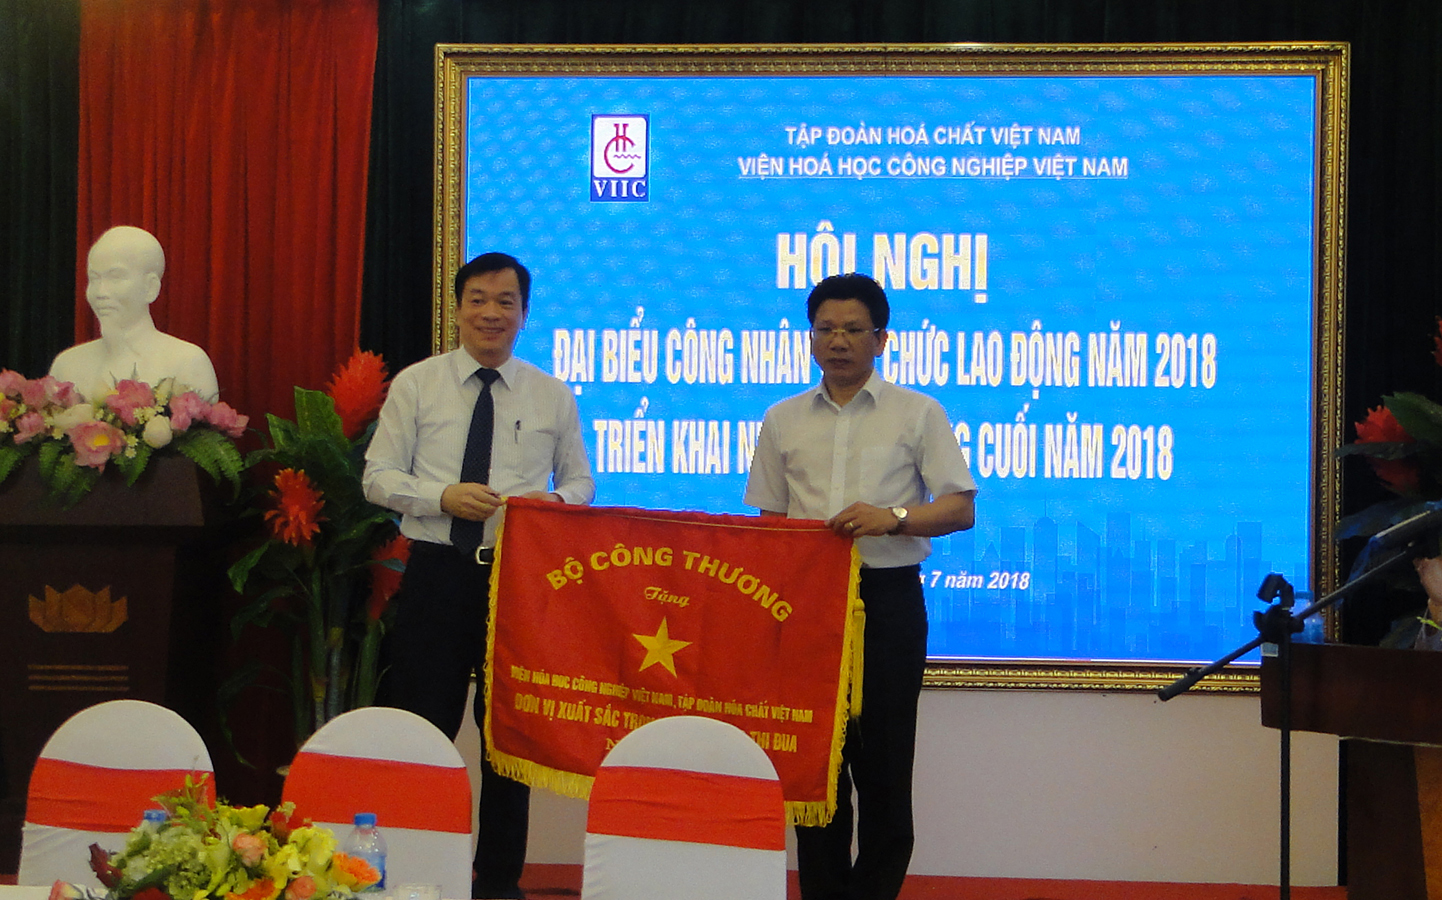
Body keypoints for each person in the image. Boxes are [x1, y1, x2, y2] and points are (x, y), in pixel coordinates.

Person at [363, 252, 595, 900]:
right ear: (458, 307)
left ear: (524, 313)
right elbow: (377, 477)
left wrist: (553, 504)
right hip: (436, 574)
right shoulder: (418, 384)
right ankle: (418, 873)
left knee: (507, 741)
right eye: (479, 300)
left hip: (516, 580)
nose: (491, 313)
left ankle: (498, 882)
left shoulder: (550, 393)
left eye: (505, 302)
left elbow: (581, 482)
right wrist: (442, 496)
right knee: (422, 728)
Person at [743, 273, 976, 900]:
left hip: (887, 602)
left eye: (852, 329)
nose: (838, 341)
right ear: (809, 337)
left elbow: (960, 508)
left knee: (884, 764)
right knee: (816, 766)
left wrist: (892, 517)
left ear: (881, 338)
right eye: (825, 329)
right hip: (805, 606)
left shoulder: (918, 412)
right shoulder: (782, 419)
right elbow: (768, 522)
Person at [50, 226, 220, 401]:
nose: (100, 292)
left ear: (150, 287)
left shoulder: (187, 363)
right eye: (94, 278)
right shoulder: (67, 364)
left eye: (115, 277)